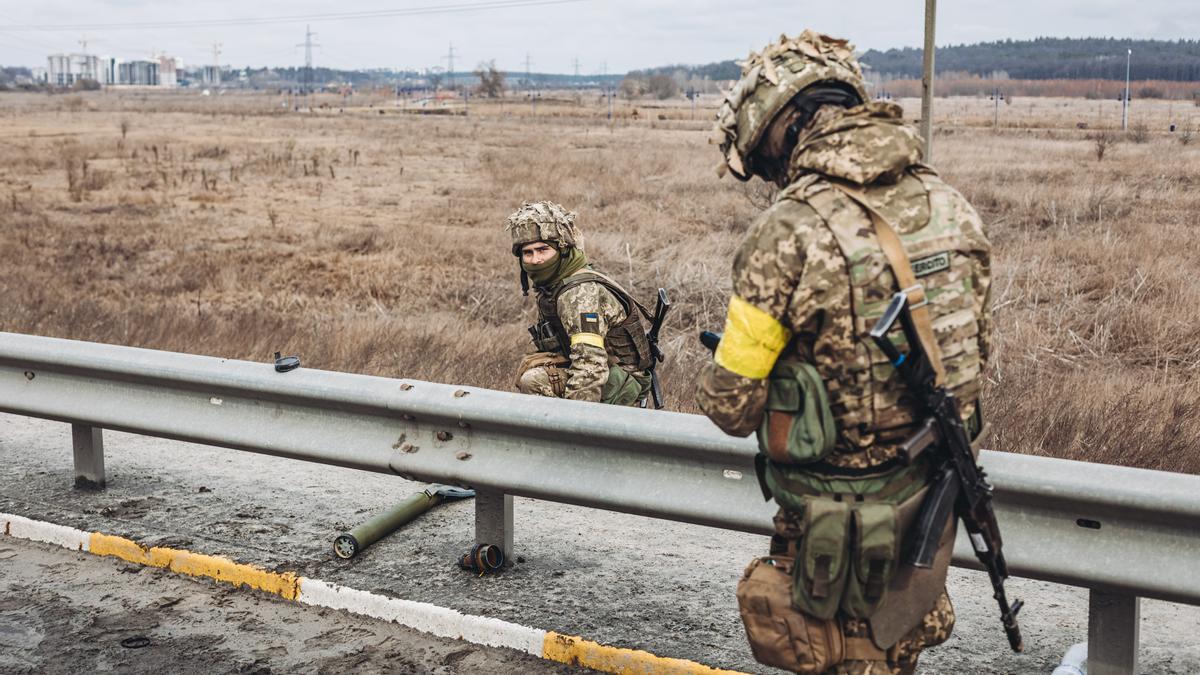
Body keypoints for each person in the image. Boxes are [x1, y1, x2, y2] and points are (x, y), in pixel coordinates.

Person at [697, 31, 992, 674]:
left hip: (833, 536)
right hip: (924, 518)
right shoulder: (952, 206)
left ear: (784, 128)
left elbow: (730, 404)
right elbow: (972, 364)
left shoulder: (789, 230)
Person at [507, 201, 654, 406]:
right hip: (607, 372)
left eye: (542, 250)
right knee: (531, 366)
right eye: (528, 252)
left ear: (562, 249)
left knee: (534, 381)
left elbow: (591, 366)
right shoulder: (555, 284)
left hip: (621, 383)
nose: (536, 259)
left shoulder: (578, 294)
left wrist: (577, 424)